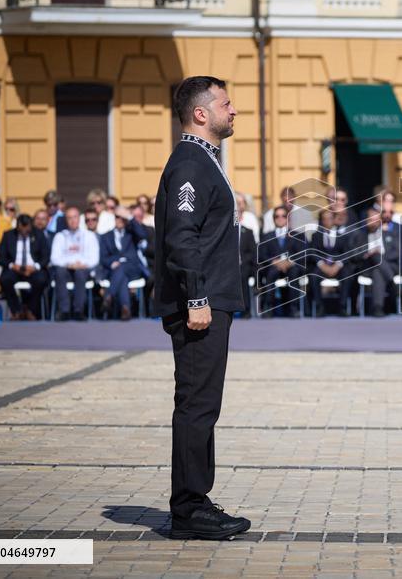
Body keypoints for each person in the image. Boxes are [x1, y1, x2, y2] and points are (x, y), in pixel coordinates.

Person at [154, 75, 250, 540]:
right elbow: (181, 236)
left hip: (212, 300)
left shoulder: (205, 161)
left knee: (204, 406)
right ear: (201, 113)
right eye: (226, 104)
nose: (233, 111)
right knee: (196, 405)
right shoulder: (191, 162)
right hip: (201, 305)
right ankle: (188, 510)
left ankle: (197, 498)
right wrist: (196, 297)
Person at [98, 208, 150, 320]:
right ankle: (125, 309)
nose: (120, 220)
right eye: (117, 217)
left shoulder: (131, 233)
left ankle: (108, 296)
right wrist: (112, 263)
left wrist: (130, 217)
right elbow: (103, 258)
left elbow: (143, 235)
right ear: (114, 218)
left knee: (121, 269)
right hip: (114, 270)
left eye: (123, 218)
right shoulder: (106, 236)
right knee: (122, 276)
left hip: (132, 268)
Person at [355, 205, 402, 316]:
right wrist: (367, 254)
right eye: (370, 220)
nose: (373, 222)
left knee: (378, 268)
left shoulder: (389, 233)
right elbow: (355, 254)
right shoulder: (360, 235)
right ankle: (392, 284)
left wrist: (381, 255)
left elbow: (397, 252)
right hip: (367, 266)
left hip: (388, 266)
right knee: (375, 258)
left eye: (375, 220)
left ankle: (378, 308)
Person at [50, 206, 100, 321]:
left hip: (83, 269)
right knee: (59, 272)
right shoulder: (60, 236)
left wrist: (81, 264)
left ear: (79, 218)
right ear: (66, 220)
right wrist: (69, 264)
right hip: (66, 269)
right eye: (69, 218)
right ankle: (64, 311)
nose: (73, 220)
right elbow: (54, 258)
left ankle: (79, 310)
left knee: (80, 273)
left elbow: (94, 259)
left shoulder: (89, 236)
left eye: (75, 217)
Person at [0, 214, 49, 321]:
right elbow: (1, 258)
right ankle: (16, 310)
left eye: (27, 229)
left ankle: (31, 309)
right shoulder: (8, 236)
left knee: (41, 279)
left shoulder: (39, 235)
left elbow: (45, 257)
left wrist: (35, 267)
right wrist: (13, 265)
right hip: (15, 269)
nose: (25, 232)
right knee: (5, 279)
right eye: (22, 229)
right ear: (17, 227)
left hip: (33, 269)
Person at [258, 206, 306, 317]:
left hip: (291, 266)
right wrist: (274, 262)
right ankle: (268, 307)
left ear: (288, 218)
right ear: (273, 218)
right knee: (271, 273)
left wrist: (290, 261)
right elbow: (261, 254)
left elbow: (302, 253)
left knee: (294, 272)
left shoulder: (297, 235)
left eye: (283, 216)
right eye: (277, 216)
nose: (280, 218)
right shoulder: (266, 236)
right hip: (273, 266)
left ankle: (293, 308)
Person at [307, 208, 355, 317]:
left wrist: (337, 265)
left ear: (334, 219)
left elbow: (347, 253)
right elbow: (313, 252)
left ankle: (342, 307)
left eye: (329, 218)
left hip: (337, 267)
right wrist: (322, 265)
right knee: (313, 276)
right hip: (322, 267)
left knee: (347, 275)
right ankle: (319, 307)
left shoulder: (342, 235)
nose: (327, 221)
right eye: (324, 219)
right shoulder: (316, 236)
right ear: (321, 221)